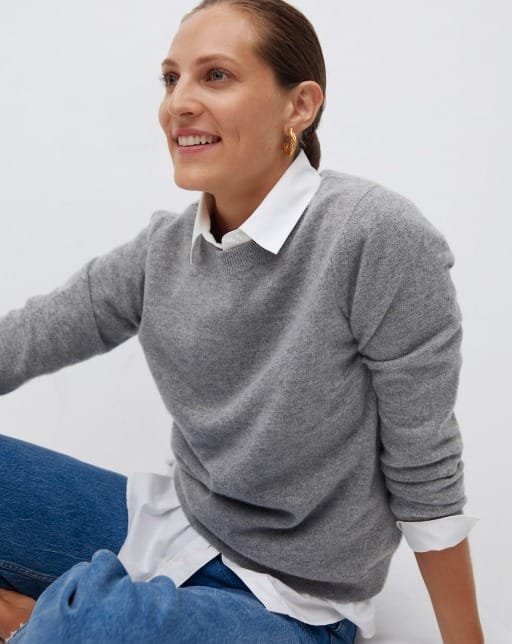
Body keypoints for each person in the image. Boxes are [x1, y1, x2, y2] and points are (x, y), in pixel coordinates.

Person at [0, 0, 484, 642]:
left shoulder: (375, 236)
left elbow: (425, 467)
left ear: (299, 106)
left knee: (99, 623)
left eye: (216, 75)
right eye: (171, 78)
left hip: (299, 606)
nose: (179, 103)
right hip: (174, 528)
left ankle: (35, 617)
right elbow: (27, 339)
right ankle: (56, 618)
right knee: (92, 616)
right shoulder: (162, 251)